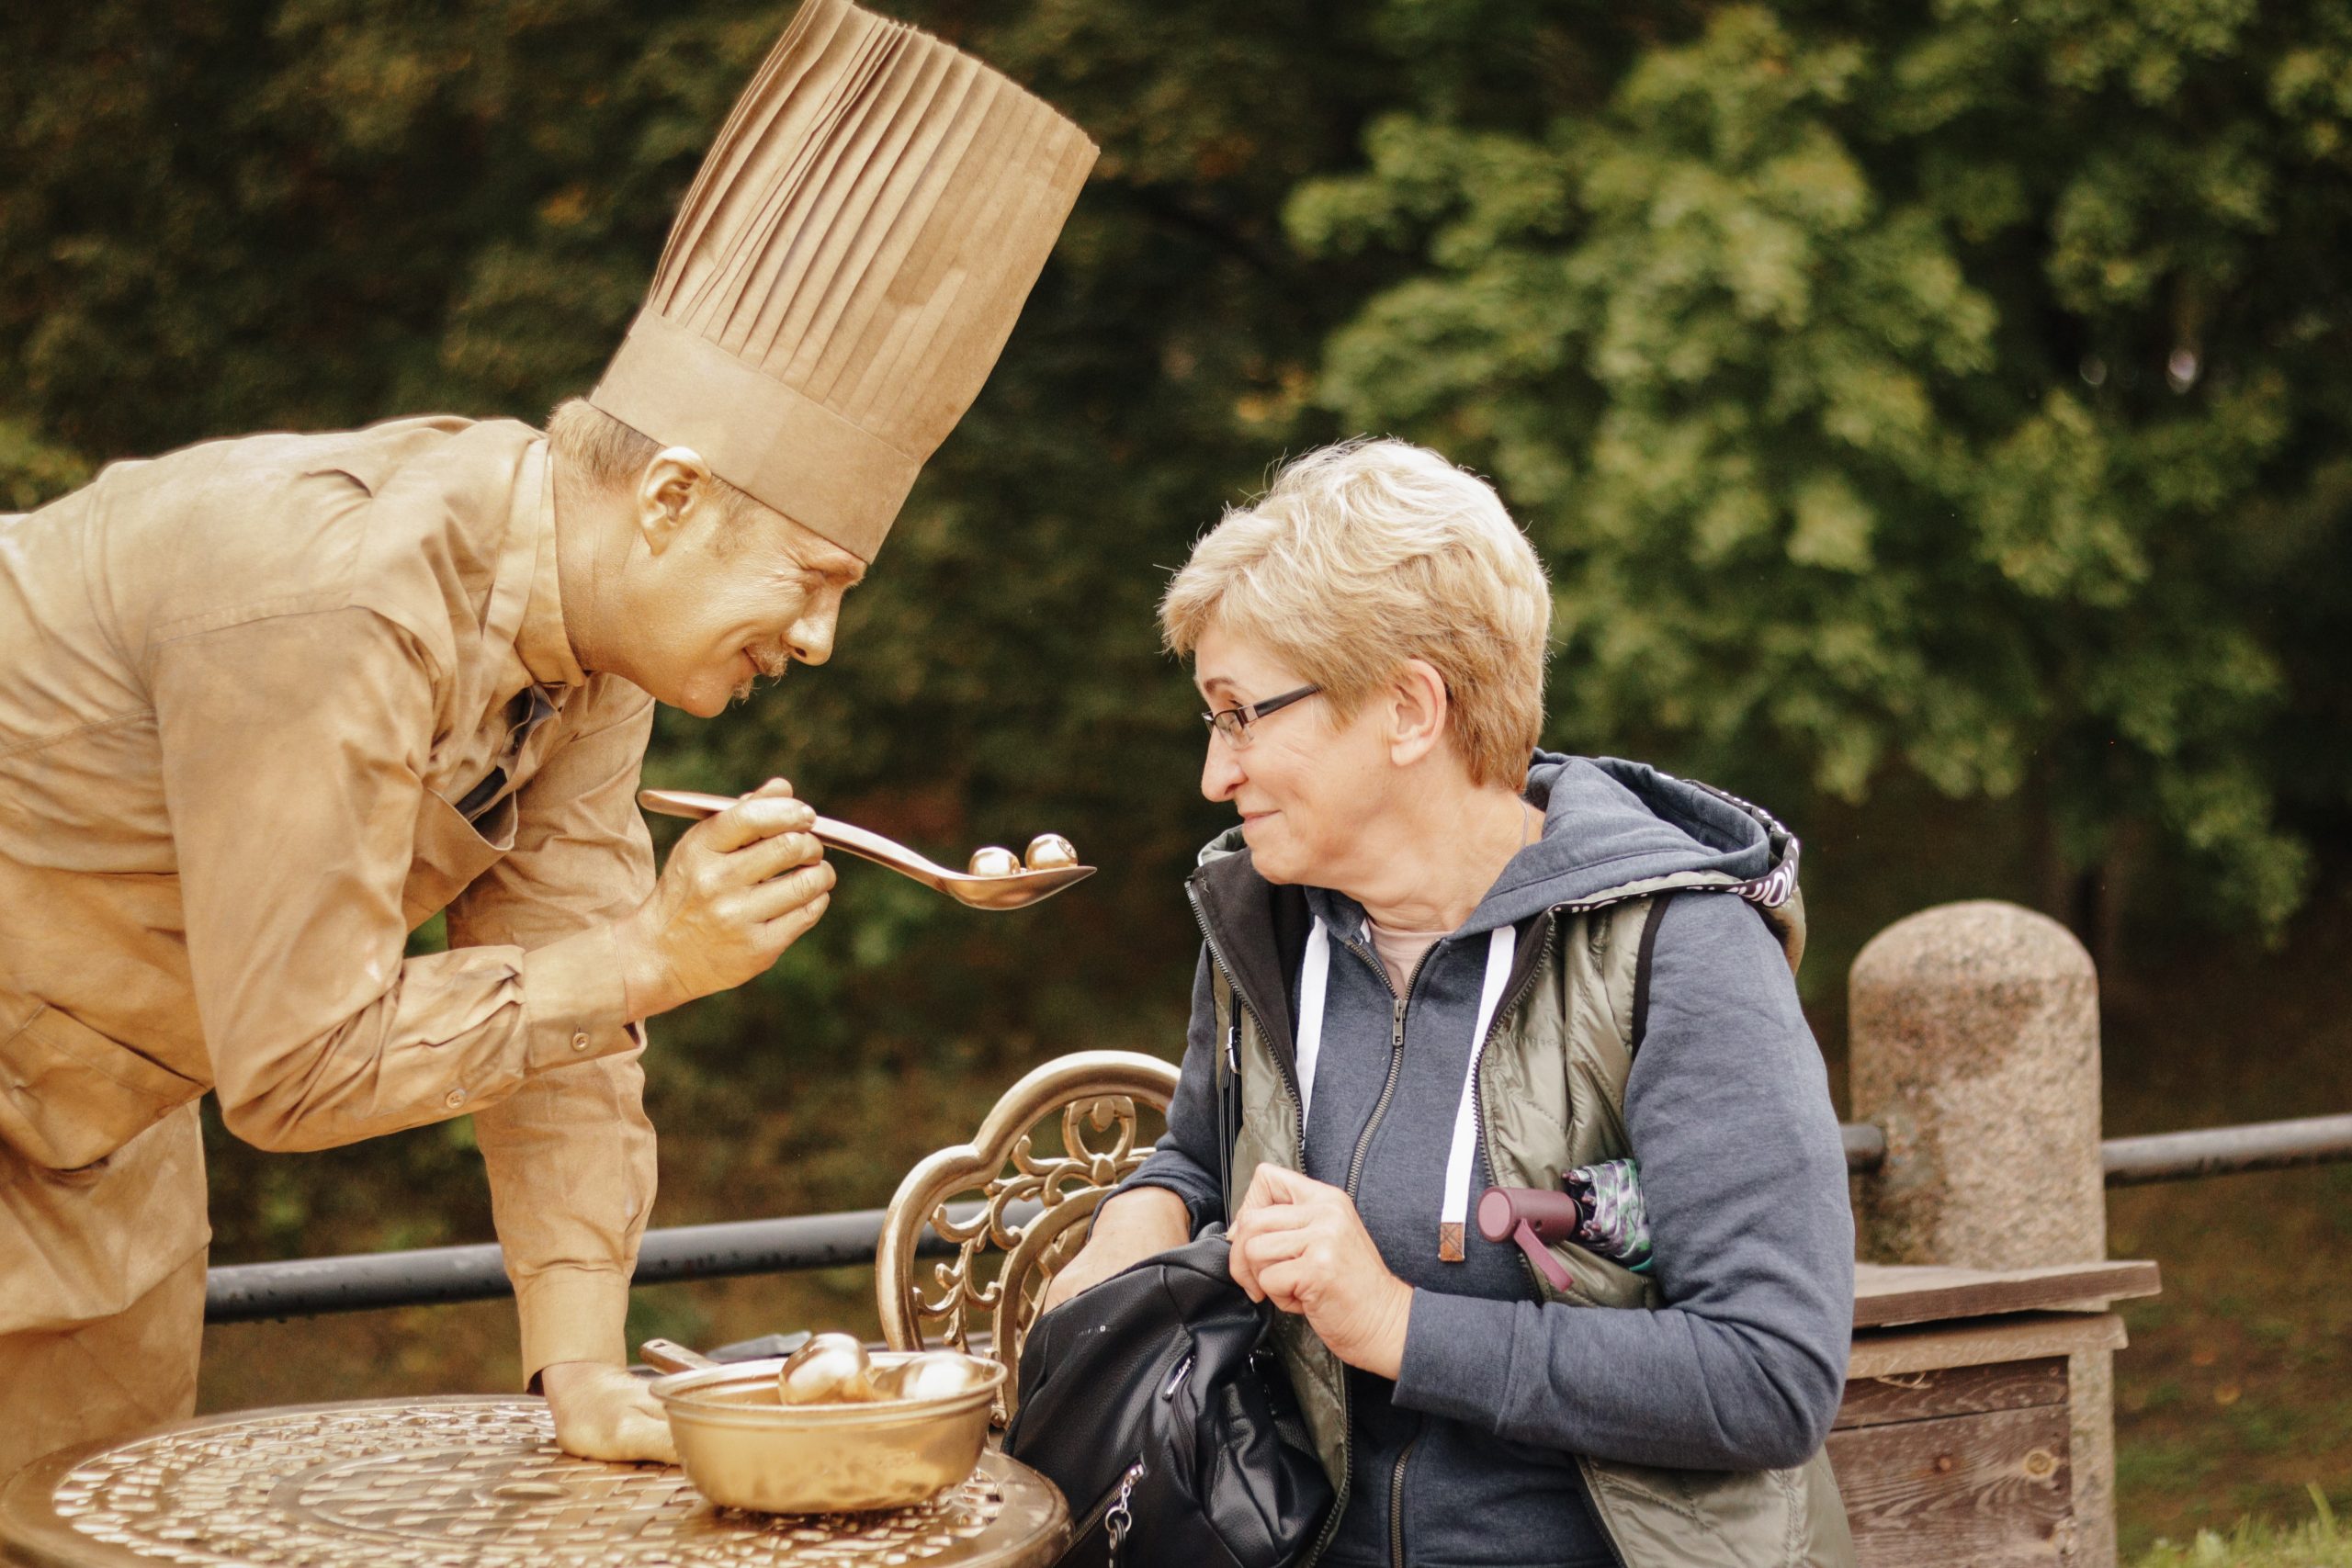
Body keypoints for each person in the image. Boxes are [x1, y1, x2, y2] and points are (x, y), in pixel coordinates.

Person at [0, 0, 1093, 1479]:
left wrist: (579, 1363)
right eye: (812, 577)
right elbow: (302, 1062)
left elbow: (562, 1001)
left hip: (103, 1147)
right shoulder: (337, 595)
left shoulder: (591, 651)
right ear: (670, 500)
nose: (821, 639)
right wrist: (654, 954)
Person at [1042, 440, 1858, 1567]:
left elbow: (1768, 1377)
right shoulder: (1265, 925)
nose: (1215, 775)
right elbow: (1200, 1153)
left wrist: (1396, 1325)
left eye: (1242, 715)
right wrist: (1144, 1216)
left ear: (1408, 709)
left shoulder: (1683, 950)